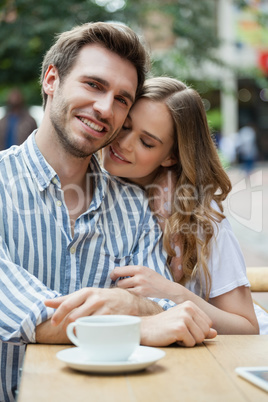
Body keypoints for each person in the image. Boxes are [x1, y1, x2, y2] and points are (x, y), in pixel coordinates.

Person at [0, 23, 216, 402]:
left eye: (122, 99)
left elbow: (167, 311)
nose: (104, 108)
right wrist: (134, 324)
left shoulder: (134, 205)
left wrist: (132, 304)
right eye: (94, 85)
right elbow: (17, 308)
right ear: (52, 80)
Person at [102, 76, 268, 335]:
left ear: (170, 156)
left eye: (146, 142)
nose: (123, 143)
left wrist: (173, 292)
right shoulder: (88, 188)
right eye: (125, 126)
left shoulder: (199, 219)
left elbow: (247, 326)